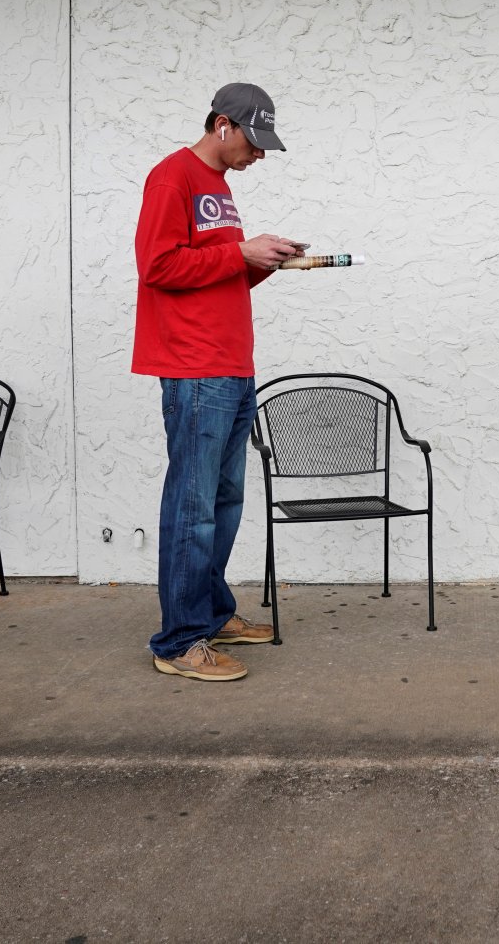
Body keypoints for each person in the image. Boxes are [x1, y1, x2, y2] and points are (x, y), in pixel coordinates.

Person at [132, 82, 306, 681]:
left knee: (224, 502)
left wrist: (264, 264)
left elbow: (213, 275)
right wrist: (242, 253)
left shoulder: (220, 188)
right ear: (223, 124)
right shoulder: (172, 177)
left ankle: (209, 612)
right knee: (193, 506)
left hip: (232, 363)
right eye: (253, 142)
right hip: (195, 367)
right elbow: (157, 267)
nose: (258, 155)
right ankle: (179, 642)